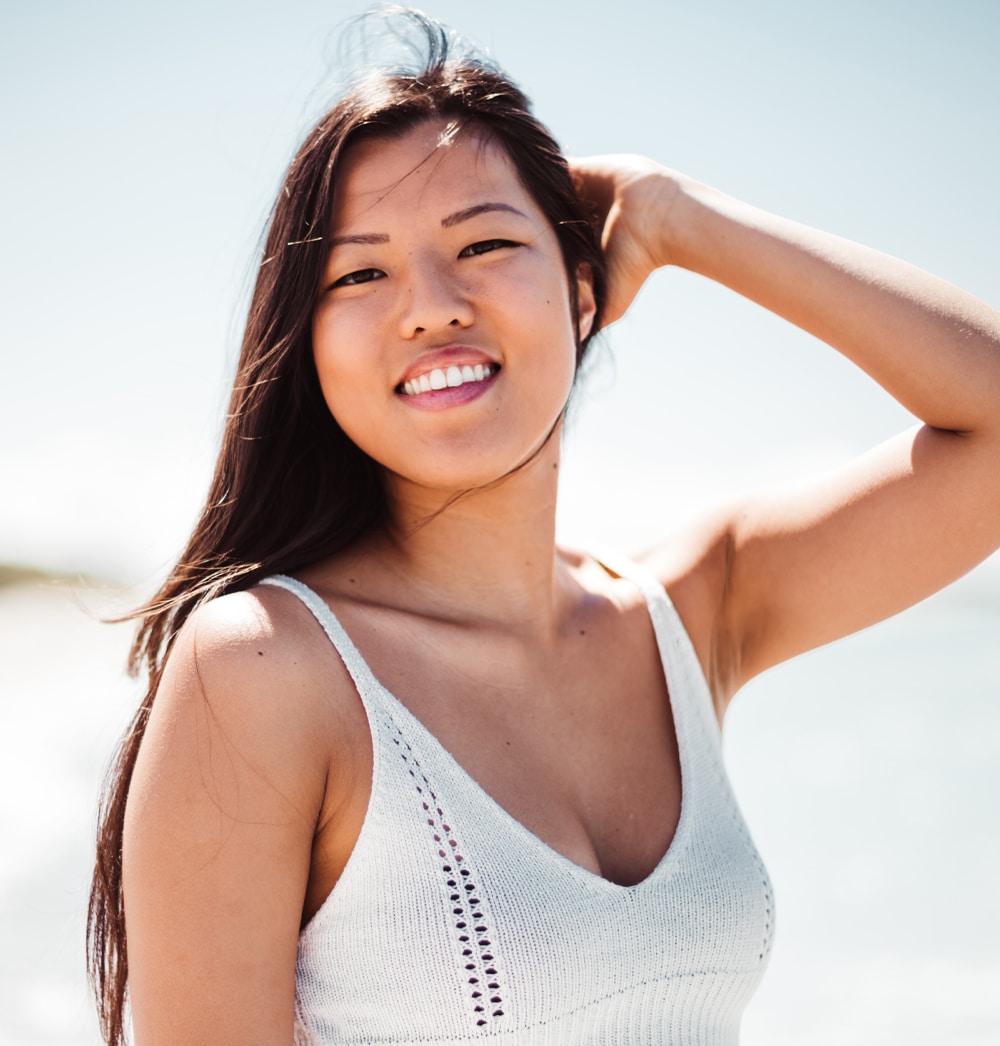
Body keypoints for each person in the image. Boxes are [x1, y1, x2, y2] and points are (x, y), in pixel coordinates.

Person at [87, 9, 1000, 1045]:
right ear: (307, 341)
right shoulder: (264, 666)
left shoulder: (689, 612)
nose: (431, 306)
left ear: (580, 295)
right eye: (360, 272)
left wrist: (673, 214)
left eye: (484, 243)